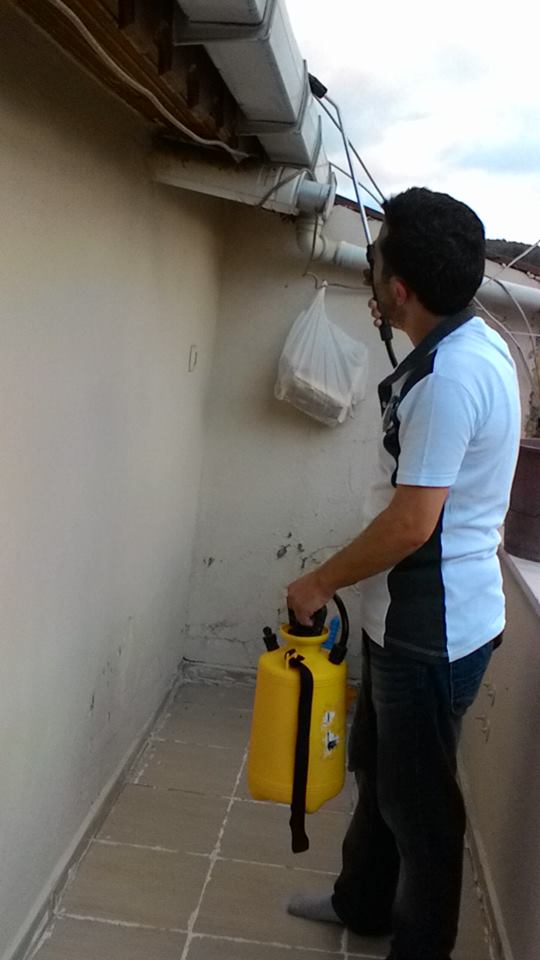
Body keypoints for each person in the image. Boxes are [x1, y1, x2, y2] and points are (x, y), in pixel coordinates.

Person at [286, 187, 521, 960]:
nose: (370, 267)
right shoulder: (469, 343)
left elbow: (413, 523)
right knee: (380, 773)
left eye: (376, 258)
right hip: (408, 619)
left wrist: (320, 581)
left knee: (421, 813)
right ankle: (362, 902)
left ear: (399, 289)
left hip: (431, 632)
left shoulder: (452, 377)